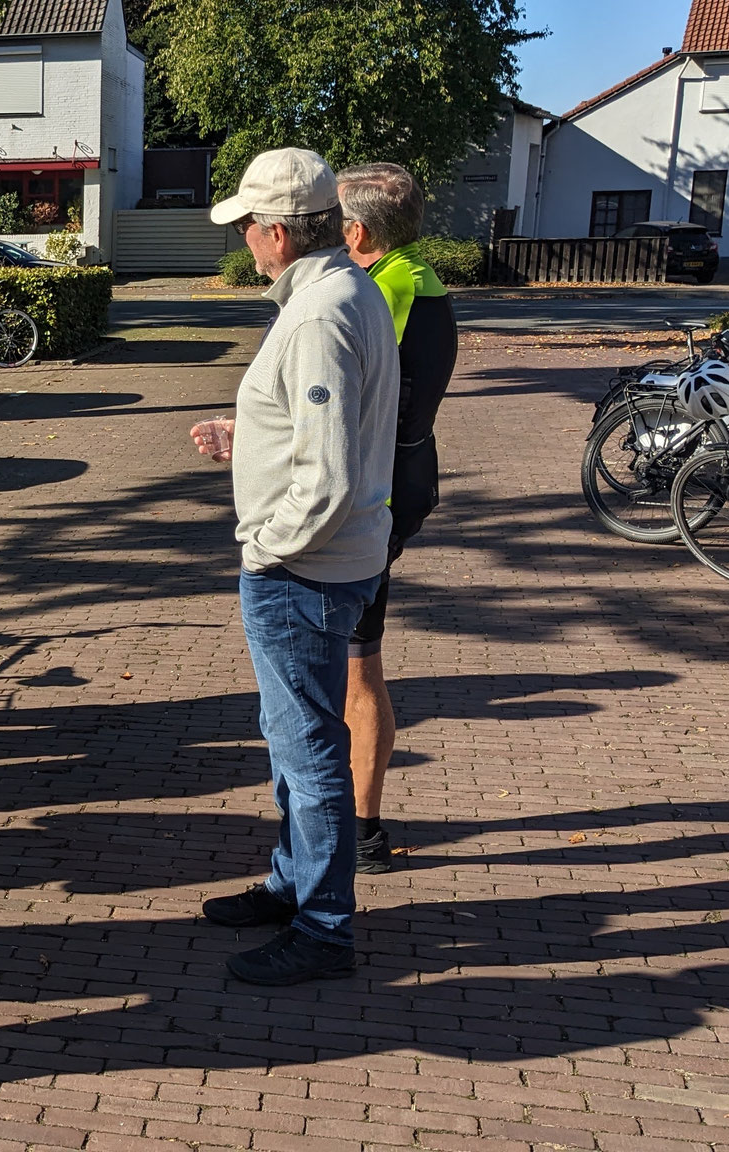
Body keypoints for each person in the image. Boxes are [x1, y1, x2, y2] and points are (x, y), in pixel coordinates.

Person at [187, 148, 399, 986]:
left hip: (304, 569)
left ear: (278, 231)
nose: (242, 238)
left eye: (246, 225)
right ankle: (295, 884)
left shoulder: (315, 314)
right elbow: (331, 434)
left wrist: (268, 543)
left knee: (307, 746)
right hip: (337, 559)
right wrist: (251, 444)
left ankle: (323, 925)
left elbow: (330, 474)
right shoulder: (347, 293)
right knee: (294, 737)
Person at [335, 163, 459, 875]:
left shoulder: (384, 287)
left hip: (367, 501)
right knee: (358, 664)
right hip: (399, 486)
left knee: (354, 672)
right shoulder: (423, 277)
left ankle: (360, 830)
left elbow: (353, 398)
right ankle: (358, 824)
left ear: (357, 230)